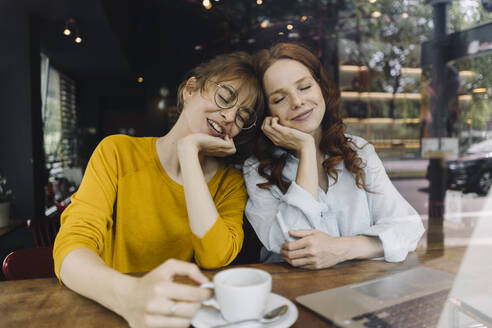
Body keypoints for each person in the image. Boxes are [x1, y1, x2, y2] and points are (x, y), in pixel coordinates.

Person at [53, 51, 264, 328]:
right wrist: (130, 296)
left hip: (178, 315)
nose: (228, 116)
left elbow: (214, 257)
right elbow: (71, 248)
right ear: (190, 90)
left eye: (242, 117)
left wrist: (189, 153)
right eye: (225, 98)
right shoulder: (118, 152)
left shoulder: (230, 183)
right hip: (111, 309)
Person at [243, 43, 425, 269]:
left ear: (321, 87)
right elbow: (295, 247)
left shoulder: (359, 150)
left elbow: (408, 228)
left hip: (363, 290)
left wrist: (340, 249)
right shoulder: (257, 169)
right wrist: (306, 149)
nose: (297, 101)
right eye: (279, 99)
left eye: (305, 87)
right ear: (267, 113)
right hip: (296, 294)